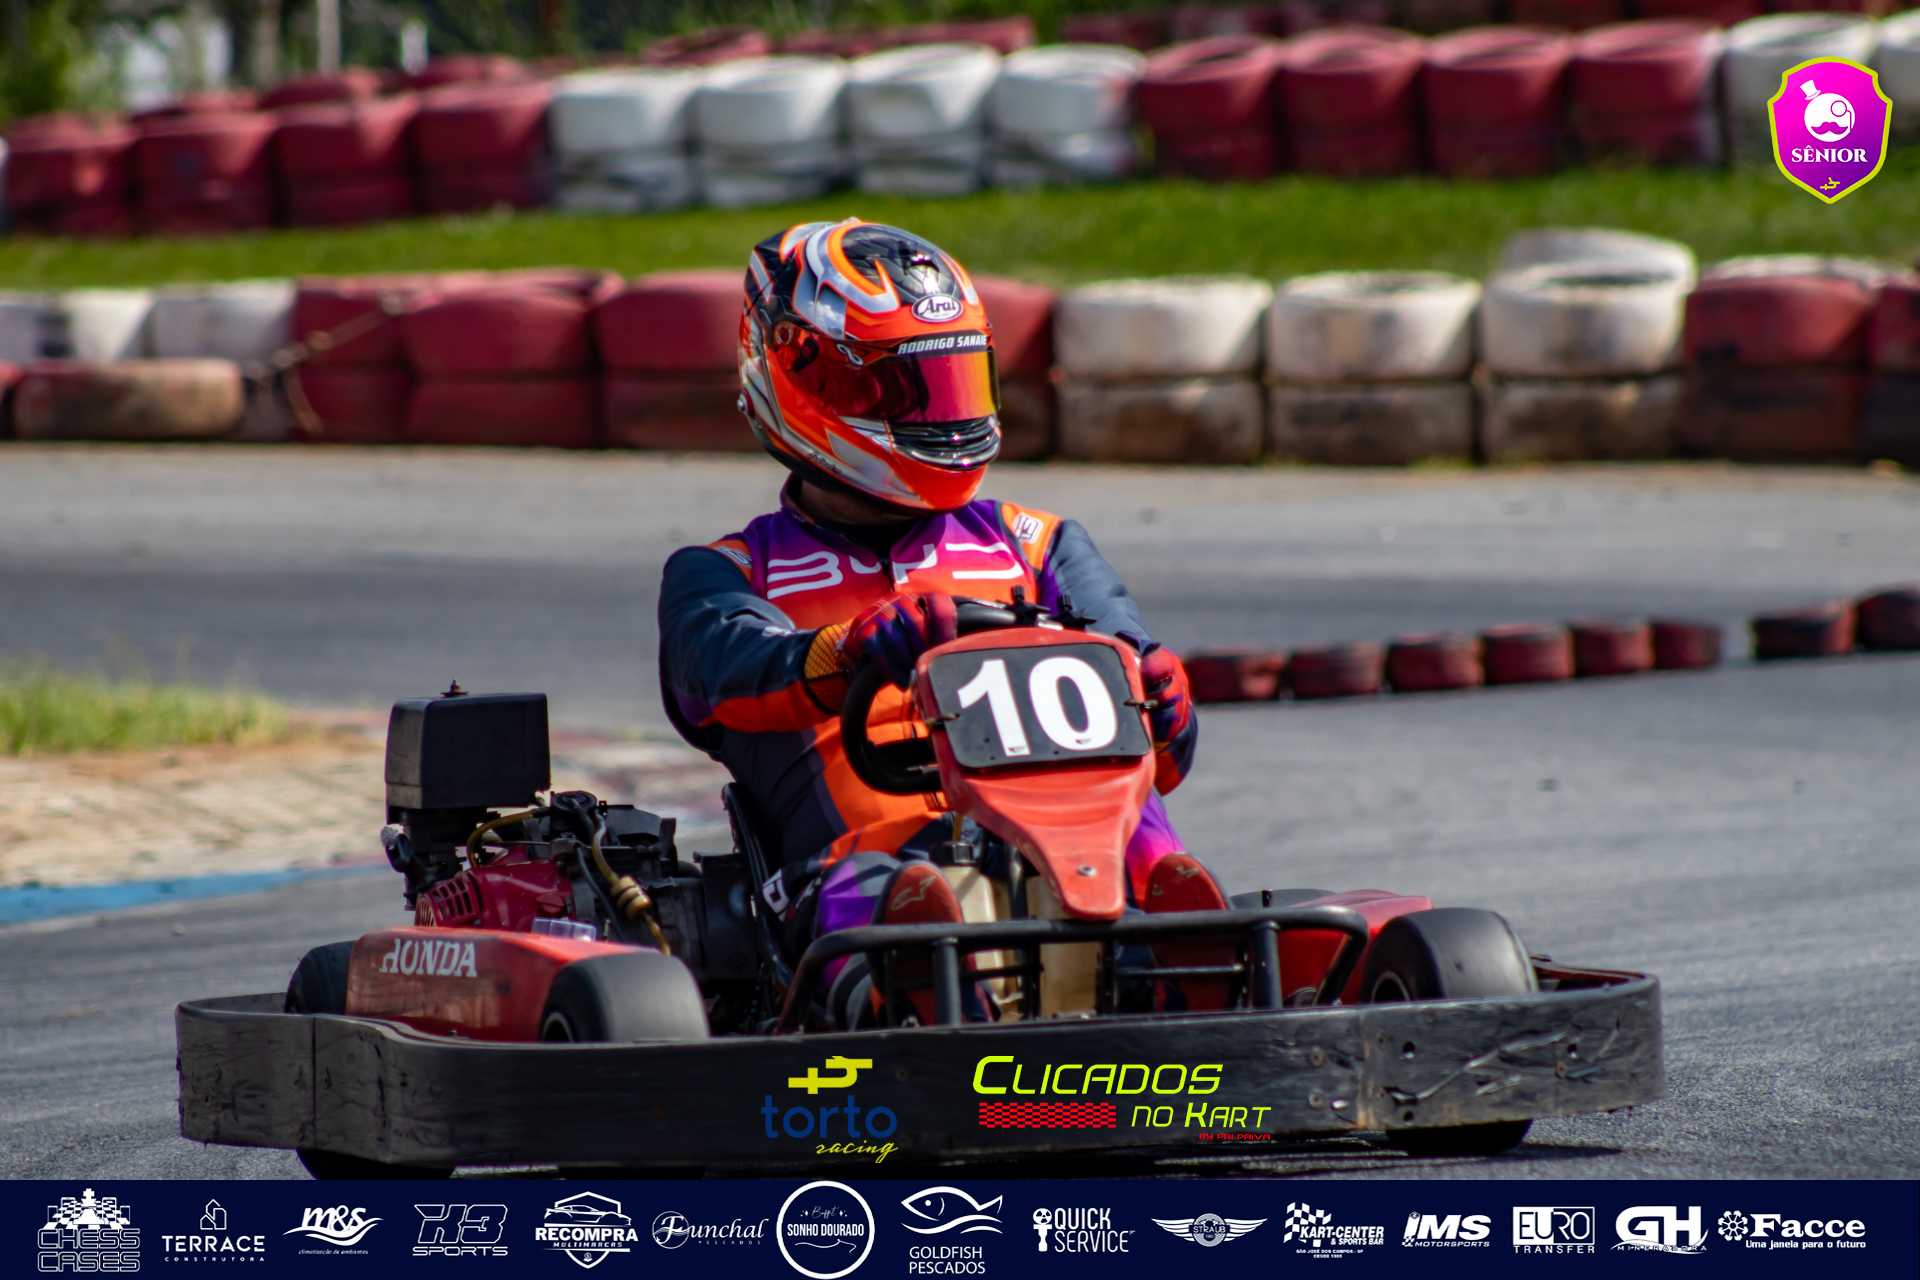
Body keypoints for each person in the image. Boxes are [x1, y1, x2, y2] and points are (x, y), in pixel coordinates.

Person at [657, 218, 1226, 1025]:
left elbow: (1159, 751)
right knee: (881, 887)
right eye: (906, 391)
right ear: (805, 379)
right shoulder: (730, 573)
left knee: (1132, 823)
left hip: (1070, 846)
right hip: (860, 858)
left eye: (953, 383)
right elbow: (724, 673)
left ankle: (1177, 942)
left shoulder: (1039, 545)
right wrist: (849, 649)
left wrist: (1165, 703)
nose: (942, 417)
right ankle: (911, 982)